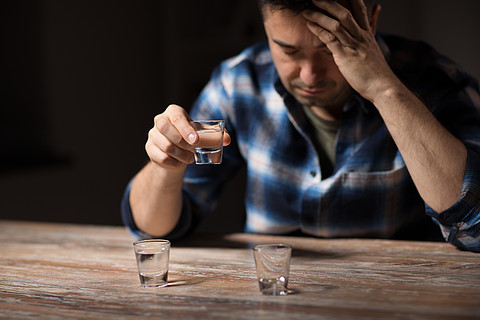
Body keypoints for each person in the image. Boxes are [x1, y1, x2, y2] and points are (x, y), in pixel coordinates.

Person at [121, 0, 480, 252]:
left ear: (369, 23)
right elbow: (153, 229)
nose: (309, 76)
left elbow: (475, 229)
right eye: (289, 51)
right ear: (265, 28)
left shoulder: (437, 82)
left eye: (329, 49)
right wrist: (165, 166)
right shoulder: (239, 83)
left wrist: (384, 90)